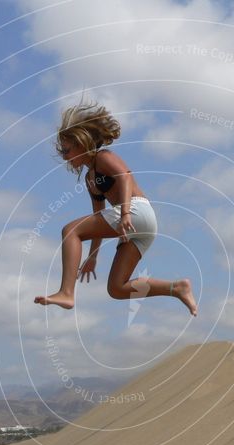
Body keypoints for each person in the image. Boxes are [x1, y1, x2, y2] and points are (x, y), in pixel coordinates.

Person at [34, 100, 197, 316]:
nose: (64, 156)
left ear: (82, 144)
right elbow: (97, 217)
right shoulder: (90, 179)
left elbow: (125, 177)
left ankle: (66, 291)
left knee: (70, 230)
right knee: (117, 288)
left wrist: (126, 214)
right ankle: (176, 288)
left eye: (67, 150)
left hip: (136, 213)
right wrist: (93, 256)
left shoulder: (103, 157)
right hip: (138, 227)